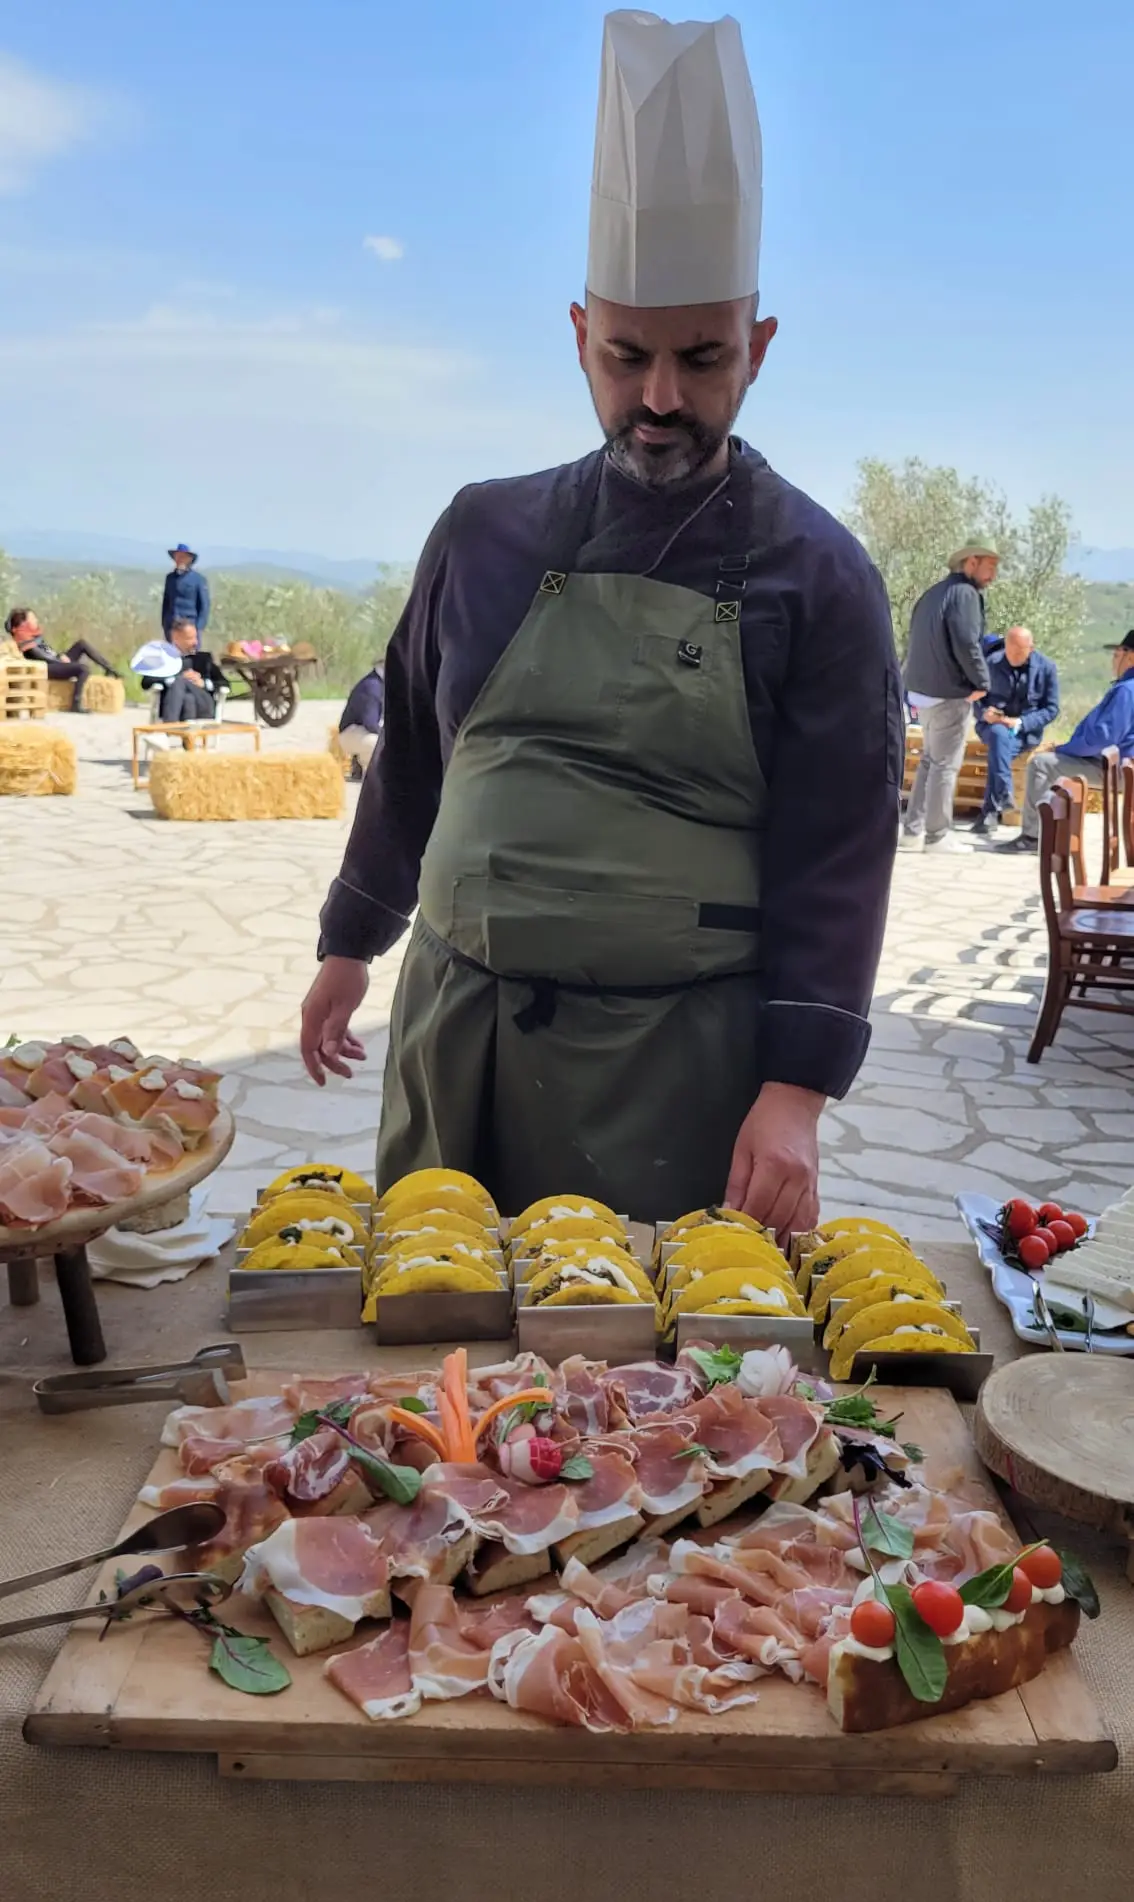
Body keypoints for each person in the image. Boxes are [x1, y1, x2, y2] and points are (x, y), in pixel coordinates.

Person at [300, 9, 902, 1233]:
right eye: (627, 356)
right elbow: (414, 756)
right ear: (580, 337)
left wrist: (795, 1091)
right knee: (437, 1325)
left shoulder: (820, 575)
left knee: (634, 1349)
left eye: (704, 358)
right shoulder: (483, 530)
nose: (661, 398)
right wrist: (352, 939)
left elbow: (839, 852)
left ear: (759, 349)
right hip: (454, 1034)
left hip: (671, 1074)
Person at [899, 538, 999, 854]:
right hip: (948, 693)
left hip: (922, 692)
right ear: (971, 562)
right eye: (990, 566)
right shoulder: (965, 594)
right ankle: (937, 836)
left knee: (930, 761)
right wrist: (982, 681)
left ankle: (912, 830)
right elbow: (967, 642)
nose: (993, 575)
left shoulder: (933, 594)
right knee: (945, 765)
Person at [1008, 626, 1134, 852]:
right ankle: (1055, 833)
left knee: (1042, 764)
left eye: (1117, 655)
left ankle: (1033, 837)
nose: (1113, 661)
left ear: (1131, 657)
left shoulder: (1127, 690)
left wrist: (1063, 750)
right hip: (1122, 766)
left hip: (1120, 771)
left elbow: (1102, 738)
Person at [970, 625, 1060, 834]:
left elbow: (1051, 709)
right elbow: (976, 699)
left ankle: (990, 811)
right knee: (998, 734)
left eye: (1019, 653)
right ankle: (1003, 792)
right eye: (1009, 651)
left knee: (999, 748)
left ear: (1031, 648)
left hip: (1025, 732)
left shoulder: (1047, 668)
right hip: (992, 727)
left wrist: (1020, 722)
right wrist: (984, 712)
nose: (1012, 657)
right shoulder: (991, 663)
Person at [3, 608, 119, 712]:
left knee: (81, 644)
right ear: (24, 623)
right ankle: (76, 703)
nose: (36, 620)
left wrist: (60, 656)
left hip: (54, 662)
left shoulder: (31, 635)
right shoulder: (23, 638)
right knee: (83, 669)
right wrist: (60, 661)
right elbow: (40, 657)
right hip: (47, 668)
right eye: (32, 618)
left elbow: (47, 652)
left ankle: (109, 669)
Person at [168, 619, 230, 713]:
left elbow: (224, 683)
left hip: (203, 704)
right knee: (188, 698)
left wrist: (203, 683)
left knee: (181, 683)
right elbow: (147, 681)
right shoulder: (165, 658)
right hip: (175, 704)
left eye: (196, 637)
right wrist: (176, 679)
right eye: (190, 638)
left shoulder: (204, 659)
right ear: (175, 637)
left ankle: (170, 722)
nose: (195, 642)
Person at [337, 663, 385, 776]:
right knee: (378, 743)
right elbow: (370, 722)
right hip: (350, 733)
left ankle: (359, 764)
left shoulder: (382, 683)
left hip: (362, 730)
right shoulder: (372, 687)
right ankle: (369, 772)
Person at [161, 545, 210, 642]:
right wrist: (165, 623)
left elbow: (204, 606)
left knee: (189, 651)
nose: (179, 559)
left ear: (189, 559)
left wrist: (198, 628)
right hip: (171, 626)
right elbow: (166, 602)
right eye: (177, 557)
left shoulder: (198, 579)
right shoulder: (170, 578)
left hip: (189, 626)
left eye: (183, 557)